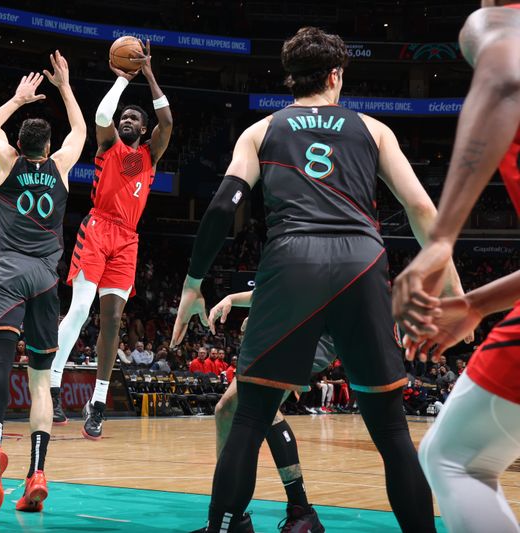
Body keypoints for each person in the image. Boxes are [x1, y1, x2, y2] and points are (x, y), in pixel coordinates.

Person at [170, 26, 464, 533]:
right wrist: (456, 292)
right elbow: (421, 209)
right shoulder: (373, 130)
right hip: (362, 265)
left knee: (248, 418)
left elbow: (223, 206)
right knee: (393, 431)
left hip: (291, 264)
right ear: (335, 76)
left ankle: (225, 528)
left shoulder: (260, 131)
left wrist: (194, 281)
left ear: (292, 80)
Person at [392, 3, 520, 531]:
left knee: (456, 459)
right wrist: (472, 304)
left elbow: (506, 79)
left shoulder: (495, 20)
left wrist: (441, 239)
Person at [48, 39, 173, 436]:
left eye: (135, 118)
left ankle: (97, 401)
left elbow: (167, 123)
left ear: (144, 129)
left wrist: (150, 76)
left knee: (114, 320)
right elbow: (102, 113)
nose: (127, 120)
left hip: (128, 240)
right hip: (98, 227)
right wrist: (121, 80)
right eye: (125, 118)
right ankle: (52, 382)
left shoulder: (150, 155)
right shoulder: (108, 147)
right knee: (81, 308)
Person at [0, 51, 85, 515]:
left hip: (7, 272)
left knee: (1, 359)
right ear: (48, 148)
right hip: (45, 278)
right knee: (41, 380)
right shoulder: (60, 168)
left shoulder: (8, 165)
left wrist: (19, 99)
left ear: (21, 147)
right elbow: (80, 131)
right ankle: (36, 472)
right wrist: (64, 86)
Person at [206, 289, 334, 530]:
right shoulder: (286, 256)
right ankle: (232, 512)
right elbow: (277, 282)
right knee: (225, 410)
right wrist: (233, 299)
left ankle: (229, 517)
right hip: (283, 326)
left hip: (313, 331)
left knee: (256, 410)